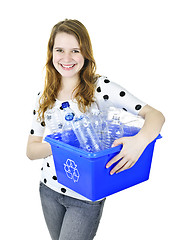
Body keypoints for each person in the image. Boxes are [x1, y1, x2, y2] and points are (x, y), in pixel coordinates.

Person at [26, 19, 165, 240]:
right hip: (49, 189)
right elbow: (31, 150)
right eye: (59, 50)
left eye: (75, 50)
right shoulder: (44, 98)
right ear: (51, 53)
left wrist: (140, 142)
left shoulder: (100, 88)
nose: (67, 58)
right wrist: (62, 147)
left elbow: (155, 115)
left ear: (86, 54)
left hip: (85, 195)